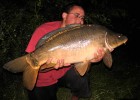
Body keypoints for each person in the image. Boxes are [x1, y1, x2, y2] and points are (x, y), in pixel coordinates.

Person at [25, 3, 105, 100]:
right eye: (77, 15)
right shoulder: (44, 29)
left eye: (82, 18)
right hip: (43, 79)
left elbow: (83, 69)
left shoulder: (81, 34)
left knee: (81, 77)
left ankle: (76, 96)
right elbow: (33, 63)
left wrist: (91, 60)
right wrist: (50, 66)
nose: (80, 21)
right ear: (64, 15)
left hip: (64, 73)